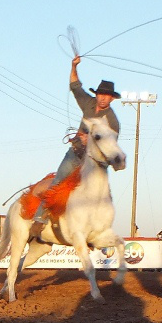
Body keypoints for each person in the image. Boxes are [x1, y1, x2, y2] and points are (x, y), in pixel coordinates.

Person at [30, 55, 121, 237]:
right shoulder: (88, 103)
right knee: (58, 181)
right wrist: (74, 66)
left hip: (94, 162)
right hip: (75, 153)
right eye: (101, 94)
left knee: (99, 193)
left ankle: (96, 228)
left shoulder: (112, 121)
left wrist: (91, 141)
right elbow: (75, 86)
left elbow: (110, 147)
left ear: (112, 99)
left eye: (107, 96)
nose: (103, 98)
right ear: (97, 95)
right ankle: (39, 218)